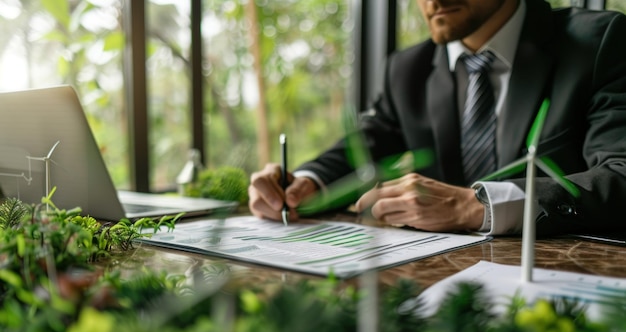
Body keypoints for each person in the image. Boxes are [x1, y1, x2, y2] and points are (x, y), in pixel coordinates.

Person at [248, 0, 626, 236]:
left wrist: (475, 206)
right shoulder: (407, 69)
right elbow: (367, 143)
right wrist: (305, 183)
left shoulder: (599, 44)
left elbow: (620, 177)